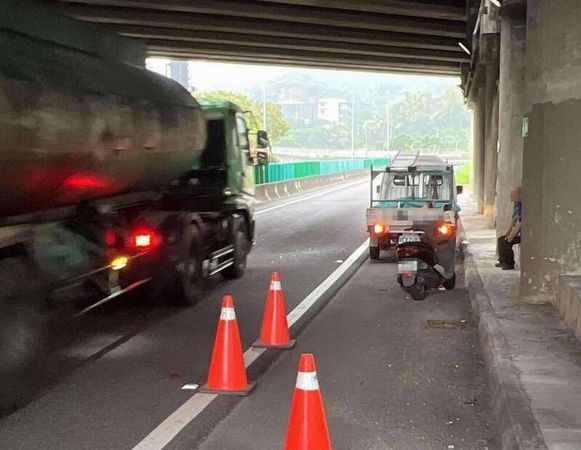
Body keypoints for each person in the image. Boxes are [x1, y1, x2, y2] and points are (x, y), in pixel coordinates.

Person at [496, 187, 522, 270]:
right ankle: (502, 261)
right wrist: (507, 233)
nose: (511, 196)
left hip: (523, 233)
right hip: (517, 232)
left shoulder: (523, 206)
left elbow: (520, 223)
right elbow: (513, 221)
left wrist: (512, 235)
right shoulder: (517, 205)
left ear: (519, 194)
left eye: (513, 194)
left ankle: (510, 263)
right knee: (501, 239)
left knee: (507, 242)